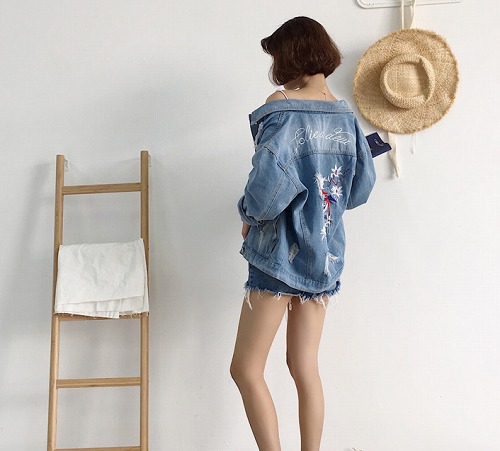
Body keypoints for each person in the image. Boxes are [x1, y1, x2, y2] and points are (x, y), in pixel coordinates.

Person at [230, 17, 376, 451]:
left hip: (279, 257)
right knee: (304, 367)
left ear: (288, 56)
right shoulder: (345, 116)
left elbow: (266, 189)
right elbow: (359, 189)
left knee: (245, 369)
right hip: (324, 256)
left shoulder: (282, 108)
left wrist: (247, 216)